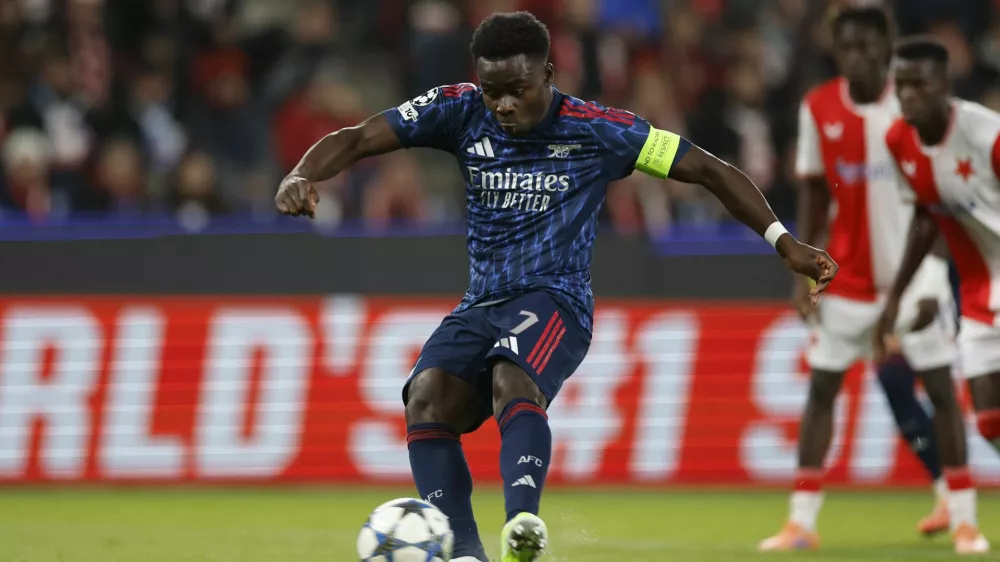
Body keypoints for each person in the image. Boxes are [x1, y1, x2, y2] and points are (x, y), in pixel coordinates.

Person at [275, 12, 837, 562]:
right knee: (426, 398)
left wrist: (784, 242)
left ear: (548, 74)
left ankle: (522, 521)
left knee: (511, 376)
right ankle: (465, 554)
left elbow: (711, 170)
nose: (503, 105)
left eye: (516, 89)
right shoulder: (458, 109)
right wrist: (303, 173)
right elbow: (357, 138)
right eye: (491, 91)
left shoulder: (599, 130)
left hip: (556, 300)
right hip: (482, 302)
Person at [760, 6, 967, 551]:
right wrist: (800, 266)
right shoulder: (818, 107)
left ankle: (958, 500)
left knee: (932, 386)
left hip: (914, 271)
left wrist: (942, 272)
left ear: (886, 48)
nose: (854, 58)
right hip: (848, 278)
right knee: (827, 388)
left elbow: (943, 192)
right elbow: (811, 188)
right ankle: (801, 521)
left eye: (865, 48)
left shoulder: (913, 103)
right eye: (845, 48)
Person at [876, 36, 1000, 556]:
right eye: (900, 84)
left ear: (944, 85)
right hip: (978, 291)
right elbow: (926, 218)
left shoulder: (988, 136)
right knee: (989, 420)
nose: (907, 95)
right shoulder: (899, 141)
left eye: (918, 84)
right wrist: (898, 297)